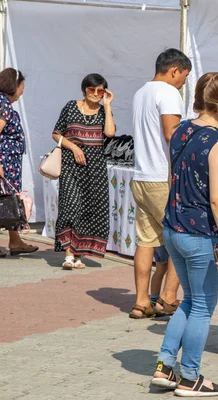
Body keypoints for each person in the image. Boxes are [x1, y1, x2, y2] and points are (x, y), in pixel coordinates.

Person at [150, 72, 218, 396]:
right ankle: (189, 376)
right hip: (201, 235)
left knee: (189, 302)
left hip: (173, 228)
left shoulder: (181, 130)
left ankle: (164, 366)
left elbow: (181, 177)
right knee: (202, 306)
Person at [129, 49, 191, 319]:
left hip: (141, 176)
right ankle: (168, 297)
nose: (183, 84)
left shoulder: (140, 92)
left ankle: (141, 301)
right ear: (175, 70)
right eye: (184, 77)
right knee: (182, 237)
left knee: (146, 242)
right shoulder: (168, 92)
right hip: (162, 178)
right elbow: (171, 134)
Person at [52, 73, 115, 268]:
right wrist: (74, 147)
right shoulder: (71, 106)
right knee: (70, 206)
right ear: (84, 90)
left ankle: (78, 255)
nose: (96, 94)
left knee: (89, 209)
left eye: (100, 90)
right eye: (92, 90)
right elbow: (56, 133)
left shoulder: (104, 112)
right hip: (71, 165)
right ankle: (68, 255)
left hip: (94, 168)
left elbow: (110, 133)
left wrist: (108, 105)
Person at [0, 68, 38, 257]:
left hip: (10, 163)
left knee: (10, 202)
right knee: (4, 201)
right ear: (14, 85)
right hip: (4, 163)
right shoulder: (3, 105)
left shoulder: (4, 103)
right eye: (22, 86)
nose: (23, 90)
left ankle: (15, 241)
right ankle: (14, 241)